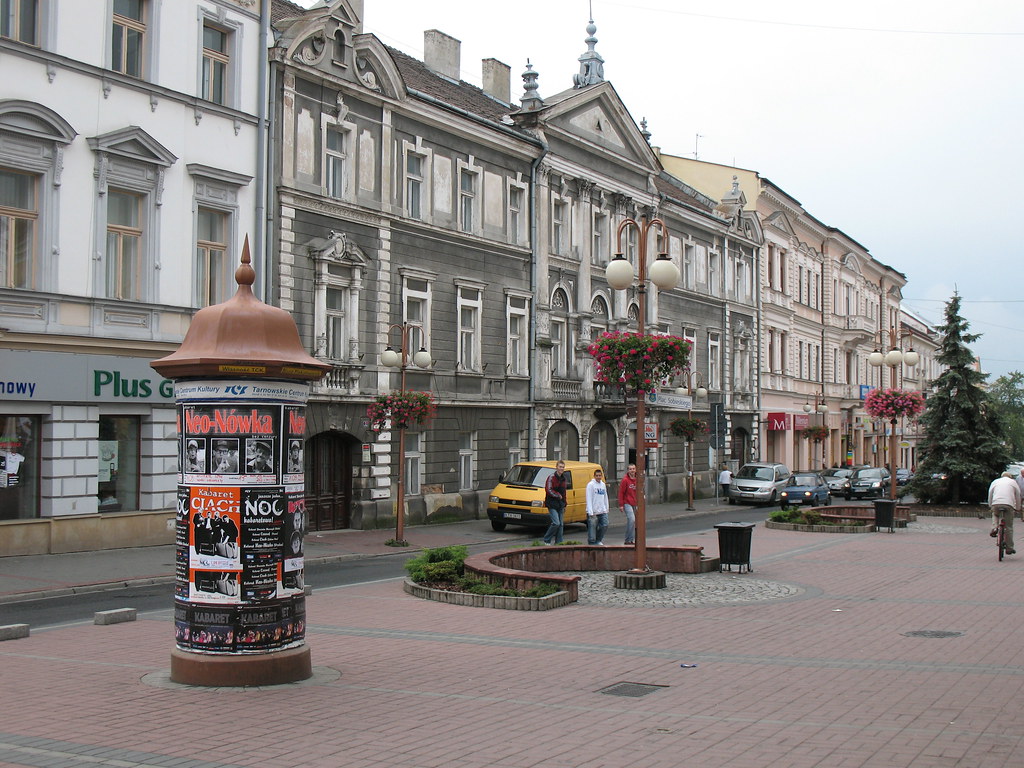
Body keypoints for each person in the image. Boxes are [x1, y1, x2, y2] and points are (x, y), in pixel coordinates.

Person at [988, 470, 1021, 555]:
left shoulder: (995, 481)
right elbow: (1018, 496)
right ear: (1010, 477)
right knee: (1009, 527)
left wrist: (990, 505)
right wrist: (1017, 508)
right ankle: (1009, 548)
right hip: (1008, 504)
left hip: (996, 503)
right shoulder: (1013, 482)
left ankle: (995, 527)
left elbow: (990, 494)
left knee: (995, 514)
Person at [542, 460, 568, 545]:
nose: (561, 469)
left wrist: (564, 503)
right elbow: (548, 489)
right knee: (556, 523)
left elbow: (564, 492)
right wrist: (557, 495)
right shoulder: (551, 477)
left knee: (561, 525)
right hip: (552, 503)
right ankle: (546, 539)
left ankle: (559, 543)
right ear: (556, 467)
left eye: (563, 467)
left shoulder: (564, 479)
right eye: (560, 467)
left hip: (560, 504)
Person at [586, 468, 609, 545]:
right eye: (597, 476)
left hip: (602, 510)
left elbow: (605, 496)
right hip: (593, 511)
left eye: (600, 475)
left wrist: (606, 508)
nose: (598, 477)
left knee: (605, 525)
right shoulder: (590, 485)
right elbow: (588, 498)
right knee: (592, 528)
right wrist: (590, 511)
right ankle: (592, 542)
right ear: (594, 476)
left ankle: (598, 539)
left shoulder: (603, 485)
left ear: (602, 476)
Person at [617, 463, 638, 545]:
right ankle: (628, 539)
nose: (632, 470)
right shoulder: (625, 480)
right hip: (627, 503)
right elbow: (621, 492)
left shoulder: (638, 479)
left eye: (633, 469)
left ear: (635, 470)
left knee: (634, 522)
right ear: (628, 470)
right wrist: (621, 505)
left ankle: (631, 539)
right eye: (630, 469)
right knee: (631, 519)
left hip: (635, 503)